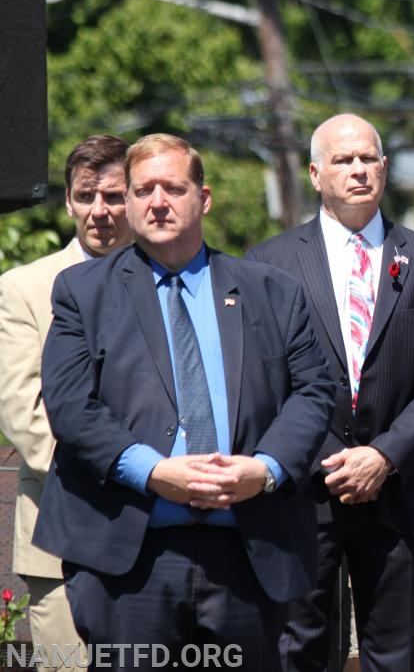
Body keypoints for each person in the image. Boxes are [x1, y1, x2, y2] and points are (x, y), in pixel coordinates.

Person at [35, 134, 335, 671]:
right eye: (143, 189)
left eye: (173, 187)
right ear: (127, 201)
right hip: (130, 559)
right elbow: (71, 406)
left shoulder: (273, 291)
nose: (157, 201)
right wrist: (152, 472)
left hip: (248, 552)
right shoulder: (82, 291)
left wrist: (264, 470)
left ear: (204, 197)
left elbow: (313, 392)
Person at [247, 114, 414, 672]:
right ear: (317, 174)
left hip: (399, 494)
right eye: (344, 160)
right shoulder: (268, 265)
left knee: (393, 656)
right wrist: (326, 458)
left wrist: (383, 456)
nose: (359, 170)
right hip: (303, 493)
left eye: (369, 159)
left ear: (385, 169)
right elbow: (264, 385)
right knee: (301, 654)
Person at [0, 135, 130, 669]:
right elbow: (26, 416)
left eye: (115, 197)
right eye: (85, 196)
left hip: (164, 545)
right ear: (70, 201)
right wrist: (138, 476)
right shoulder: (24, 288)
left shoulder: (175, 284)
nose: (99, 212)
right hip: (63, 540)